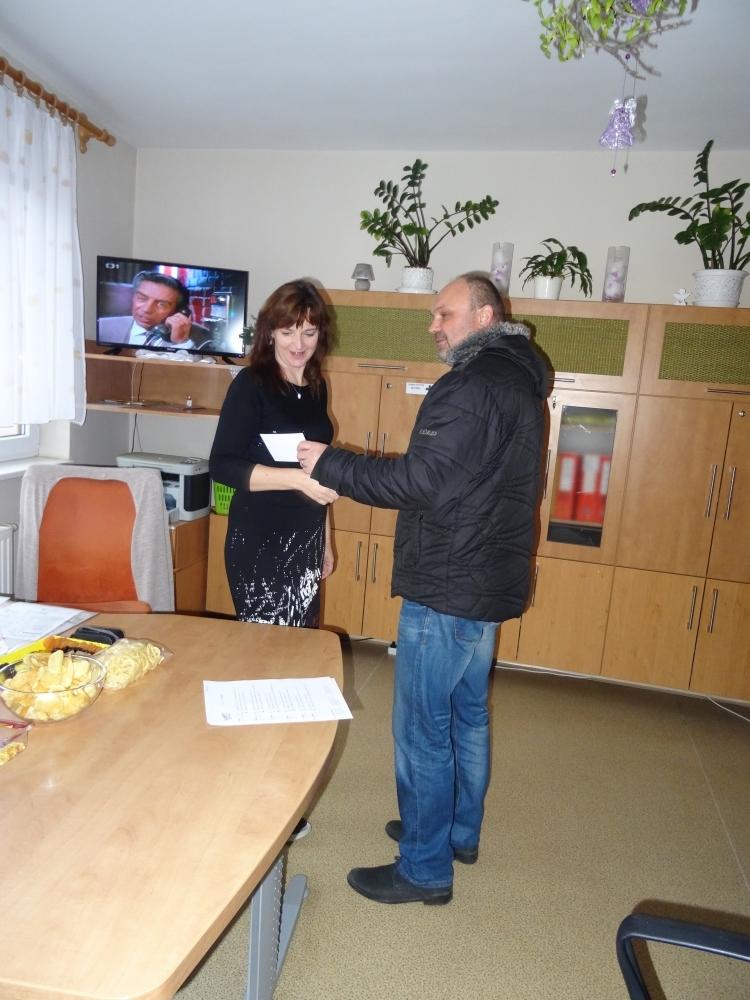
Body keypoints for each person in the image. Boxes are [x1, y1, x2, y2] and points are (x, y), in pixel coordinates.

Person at [298, 272, 549, 904]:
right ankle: (454, 832)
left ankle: (424, 867)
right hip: (483, 579)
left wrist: (329, 463)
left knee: (422, 727)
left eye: (445, 314)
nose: (434, 326)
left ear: (485, 317)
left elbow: (419, 482)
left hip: (448, 585)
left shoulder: (471, 384)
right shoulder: (519, 380)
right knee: (466, 715)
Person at [209, 278, 338, 629]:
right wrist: (296, 480)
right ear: (270, 333)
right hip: (260, 538)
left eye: (309, 333)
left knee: (301, 642)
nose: (299, 344)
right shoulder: (251, 384)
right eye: (288, 332)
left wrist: (325, 541)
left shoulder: (317, 385)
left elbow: (318, 472)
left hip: (306, 536)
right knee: (266, 648)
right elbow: (222, 465)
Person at [97, 271, 214, 350]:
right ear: (133, 297)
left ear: (177, 311)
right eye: (142, 298)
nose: (147, 309)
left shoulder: (202, 337)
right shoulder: (103, 327)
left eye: (161, 304)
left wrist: (181, 343)